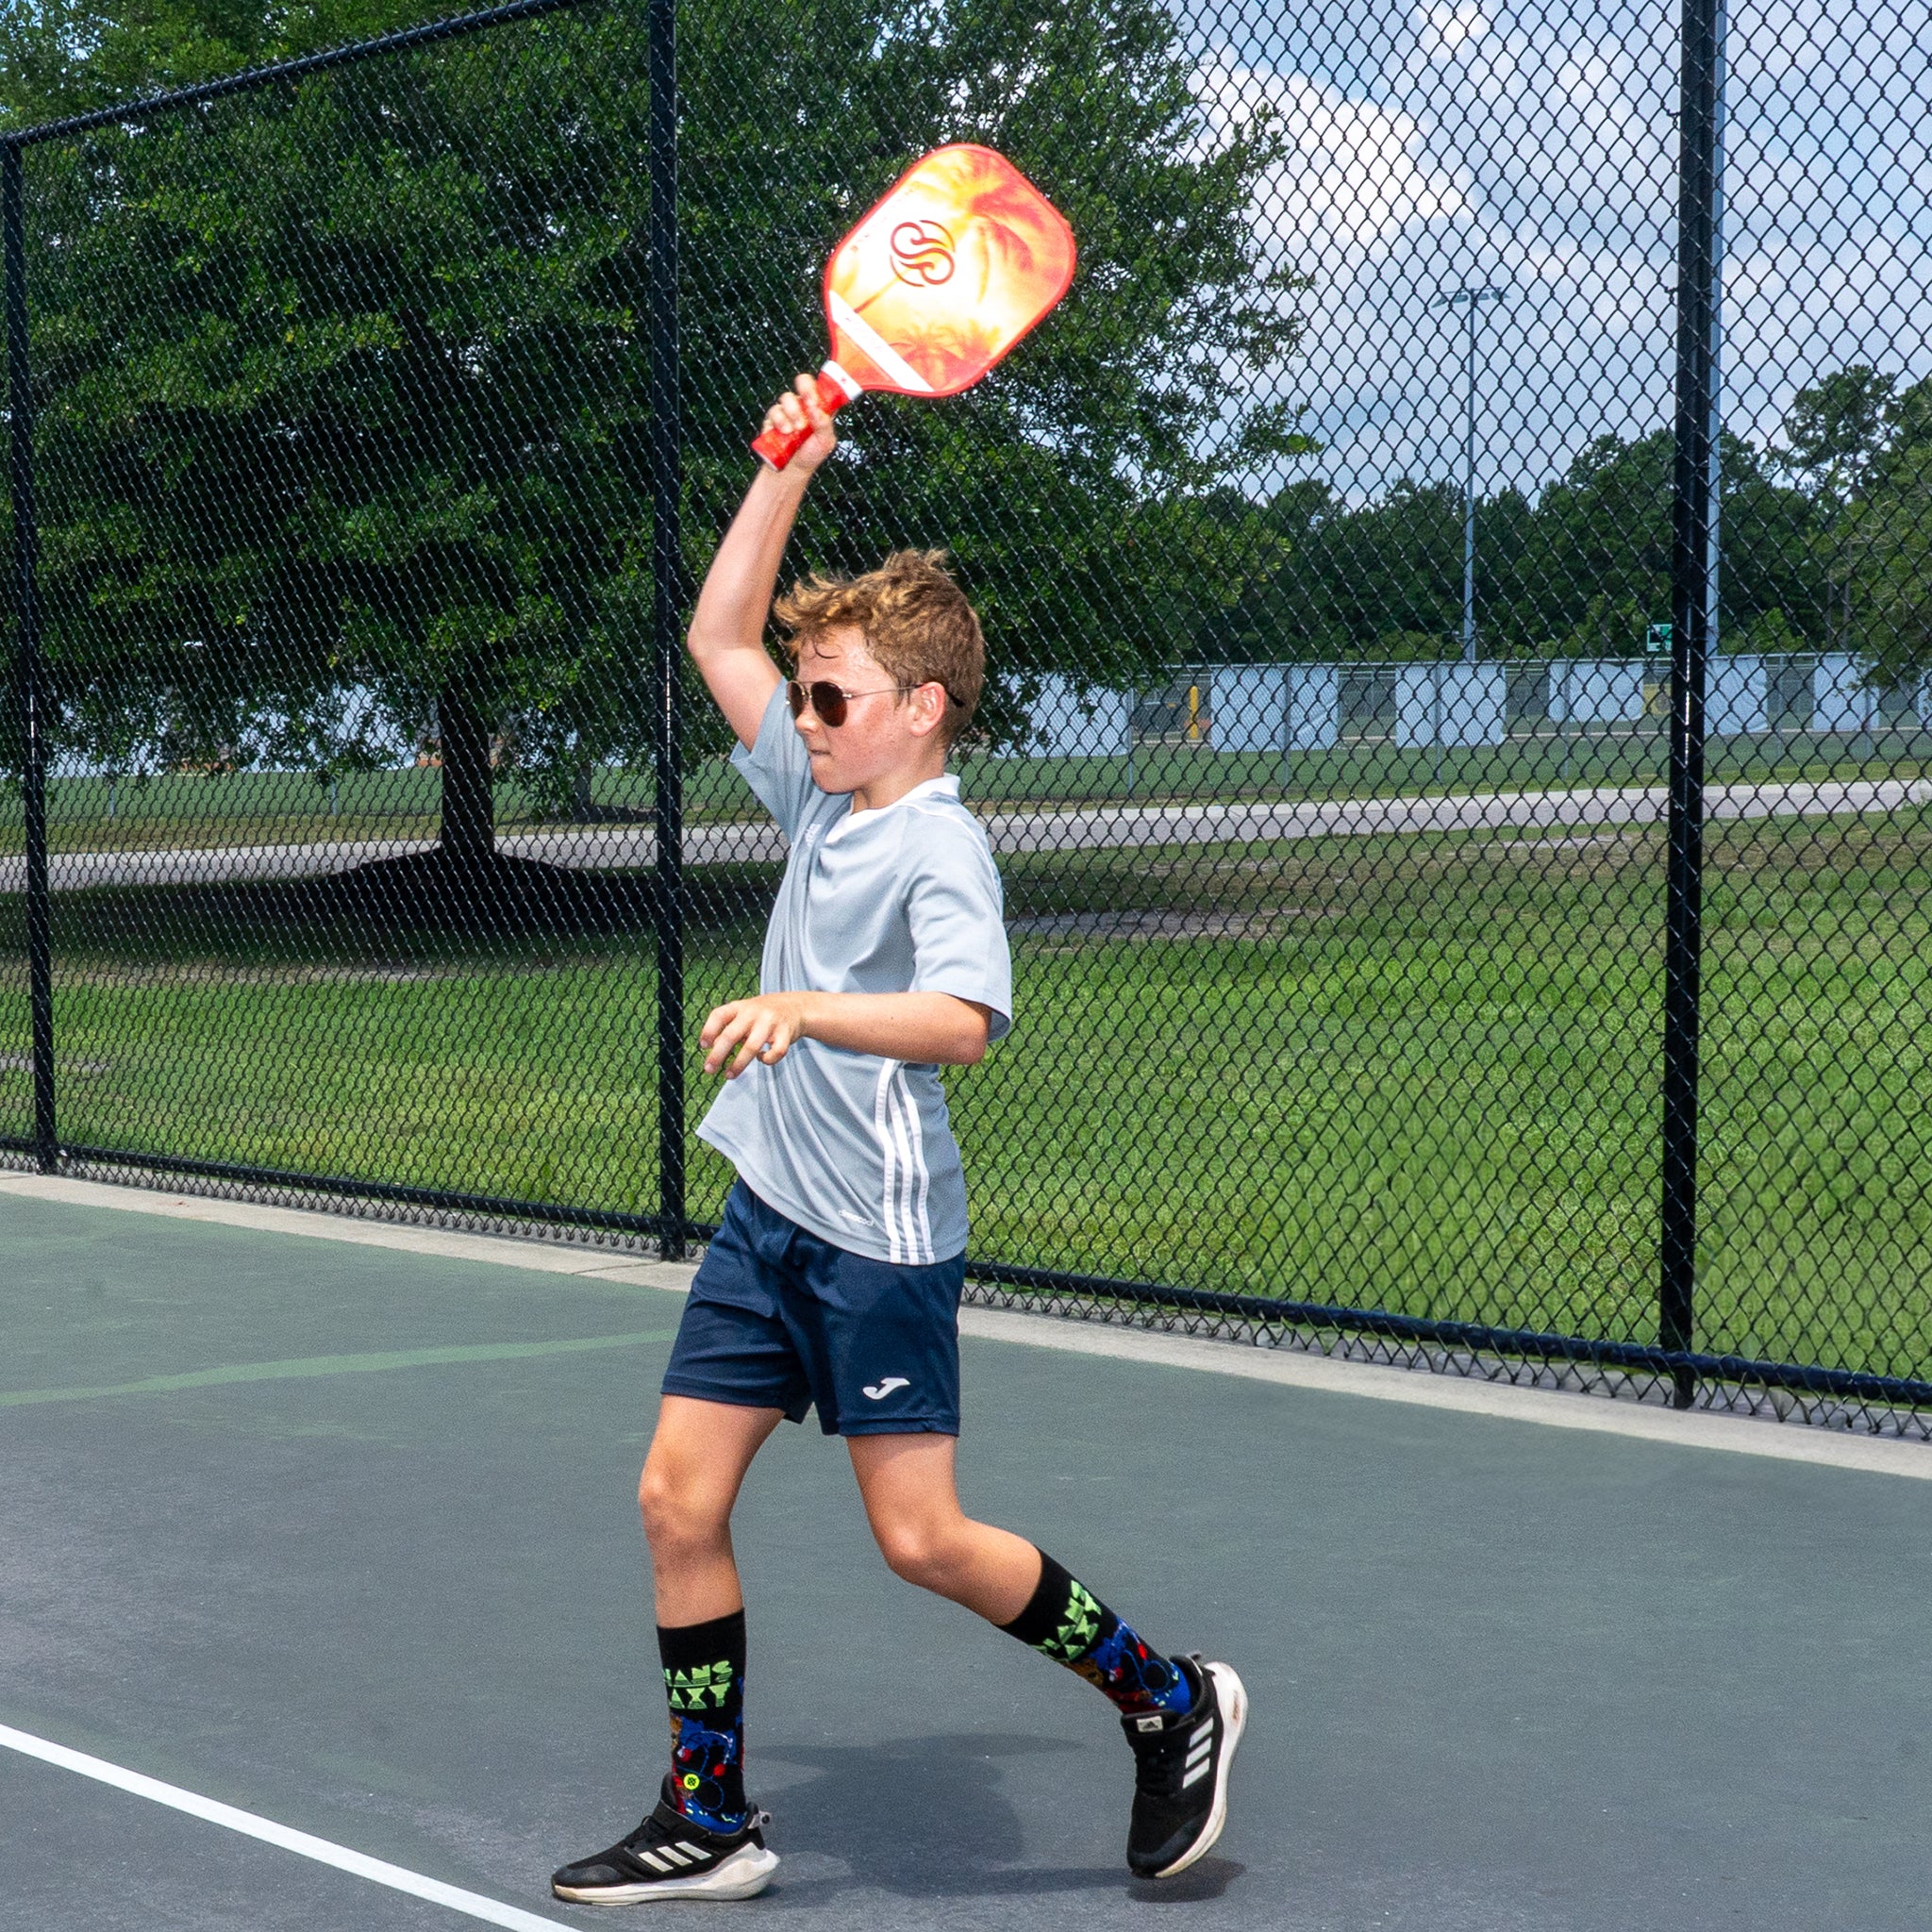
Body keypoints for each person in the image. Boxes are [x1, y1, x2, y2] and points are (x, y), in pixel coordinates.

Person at [551, 375, 1245, 1905]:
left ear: (919, 709)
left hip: (875, 1238)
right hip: (768, 1215)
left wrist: (806, 1004)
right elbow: (717, 634)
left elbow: (963, 1021)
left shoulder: (941, 840)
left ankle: (1170, 1698)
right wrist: (786, 461)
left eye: (832, 695)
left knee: (921, 1539)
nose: (800, 716)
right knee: (678, 1497)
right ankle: (711, 1817)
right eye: (805, 697)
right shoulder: (823, 792)